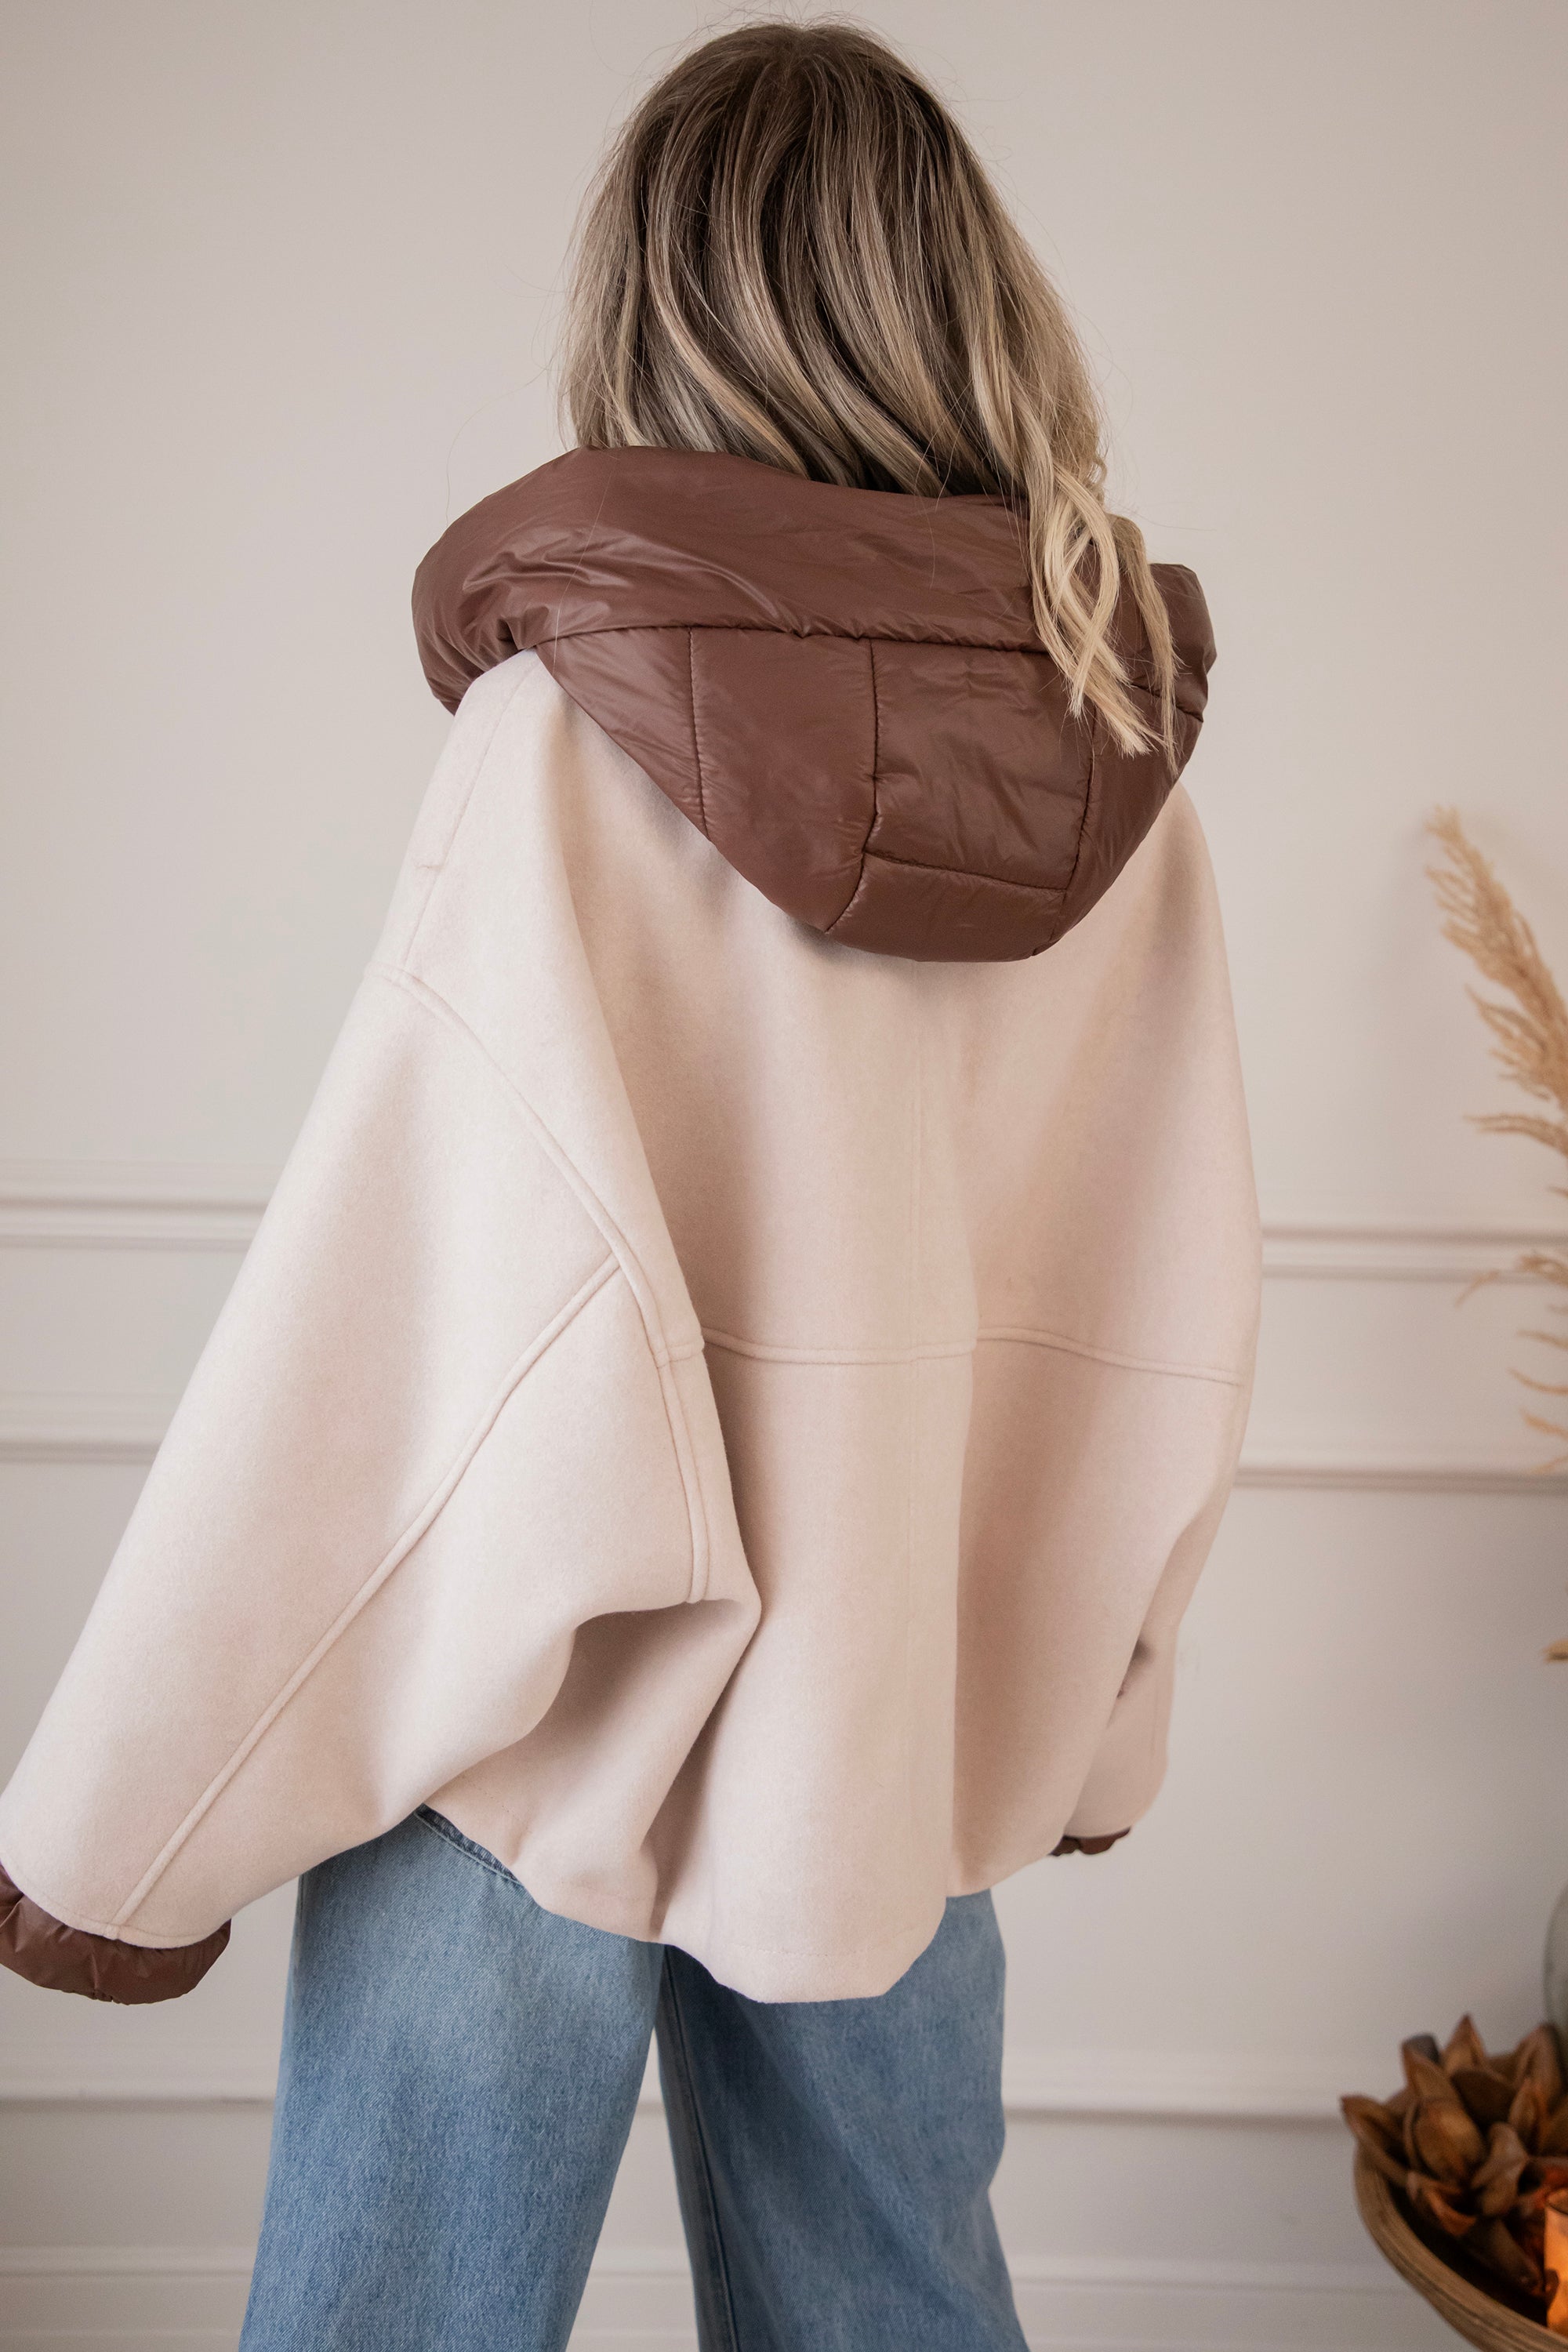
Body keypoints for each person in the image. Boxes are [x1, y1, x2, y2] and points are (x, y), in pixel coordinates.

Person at [0, 21, 1260, 2347]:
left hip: (535, 1763)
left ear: (654, 310)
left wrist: (117, 1838)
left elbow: (397, 1352)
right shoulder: (1118, 769)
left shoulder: (563, 749)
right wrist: (1095, 1725)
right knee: (898, 2311)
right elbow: (1164, 1332)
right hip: (892, 1760)